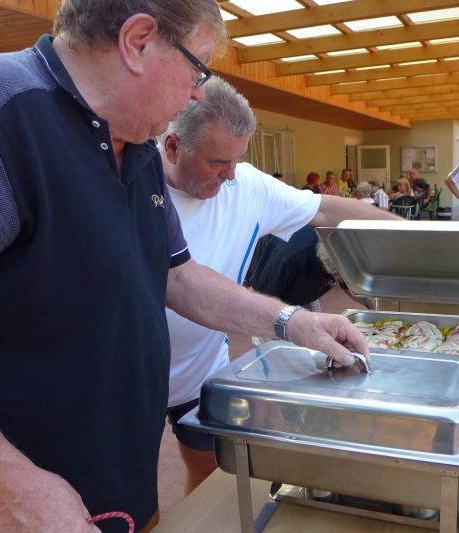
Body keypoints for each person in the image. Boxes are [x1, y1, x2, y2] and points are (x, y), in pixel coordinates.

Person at [0, 4, 366, 532]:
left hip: (119, 469)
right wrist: (8, 489)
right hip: (10, 502)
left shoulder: (139, 147)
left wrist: (293, 321)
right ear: (138, 41)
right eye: (198, 69)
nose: (197, 93)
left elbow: (178, 275)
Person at [160, 76, 400, 495]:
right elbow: (182, 284)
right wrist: (291, 321)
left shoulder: (245, 184)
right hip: (128, 378)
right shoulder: (134, 183)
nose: (230, 175)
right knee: (131, 505)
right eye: (217, 162)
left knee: (208, 475)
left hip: (199, 370)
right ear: (172, 147)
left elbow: (325, 209)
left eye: (237, 160)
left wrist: (418, 235)